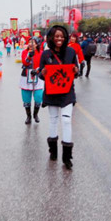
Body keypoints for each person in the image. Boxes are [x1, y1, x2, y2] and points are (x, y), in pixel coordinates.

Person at [39, 25, 79, 169]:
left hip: (67, 92)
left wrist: (76, 70)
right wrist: (42, 73)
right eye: (56, 36)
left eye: (62, 36)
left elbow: (76, 71)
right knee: (53, 120)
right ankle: (53, 151)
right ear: (51, 38)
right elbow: (40, 75)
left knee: (66, 120)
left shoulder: (71, 52)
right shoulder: (45, 55)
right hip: (52, 92)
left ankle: (67, 156)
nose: (59, 39)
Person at [20, 37, 44, 124]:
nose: (30, 44)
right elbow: (25, 62)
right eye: (29, 42)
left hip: (37, 76)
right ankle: (28, 116)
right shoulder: (24, 52)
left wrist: (37, 70)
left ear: (37, 44)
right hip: (26, 76)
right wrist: (29, 56)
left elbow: (43, 65)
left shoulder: (41, 53)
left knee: (38, 97)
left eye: (33, 42)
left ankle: (35, 114)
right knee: (26, 98)